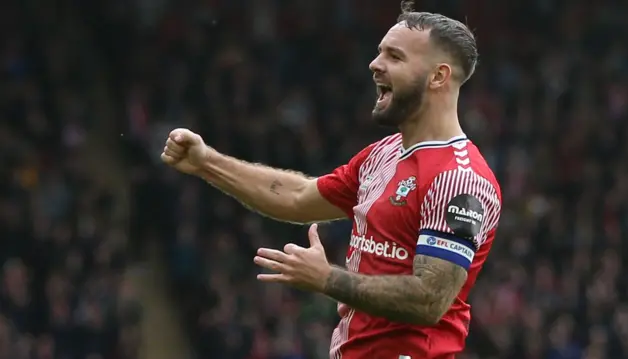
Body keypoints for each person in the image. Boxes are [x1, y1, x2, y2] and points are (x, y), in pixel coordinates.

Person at [160, 1, 502, 358]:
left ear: (438, 77)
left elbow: (430, 300)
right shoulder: (382, 154)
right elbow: (298, 197)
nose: (375, 64)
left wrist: (327, 279)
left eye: (395, 57)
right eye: (379, 53)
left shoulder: (461, 178)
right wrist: (207, 163)